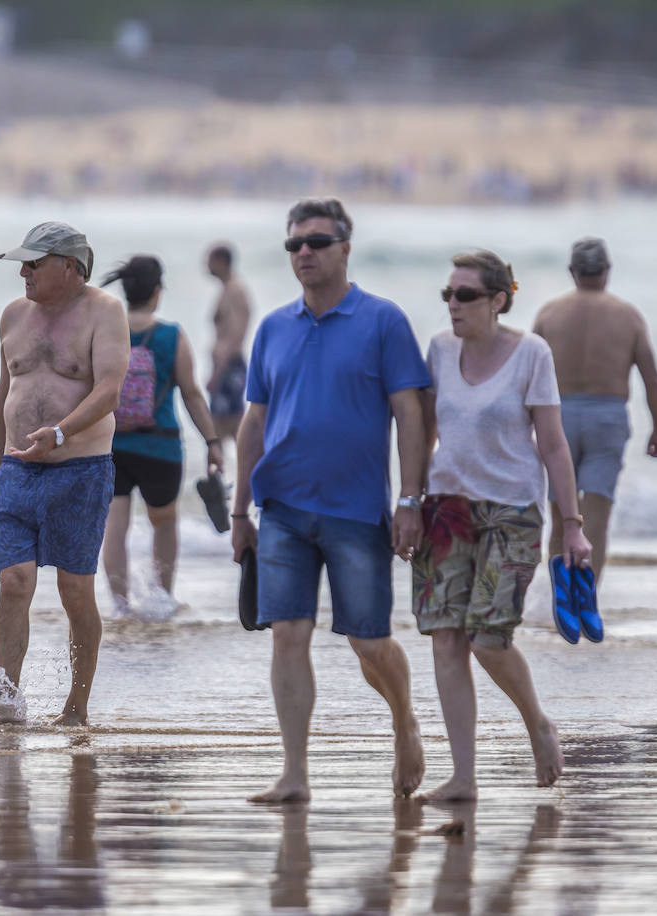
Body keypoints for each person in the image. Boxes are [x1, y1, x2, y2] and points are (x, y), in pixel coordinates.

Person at [231, 198, 429, 802]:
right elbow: (253, 423)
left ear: (346, 247)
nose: (304, 253)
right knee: (288, 635)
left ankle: (405, 720)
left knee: (368, 641)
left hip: (356, 511)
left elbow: (411, 416)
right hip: (283, 509)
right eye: (294, 245)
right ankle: (294, 773)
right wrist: (240, 511)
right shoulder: (273, 327)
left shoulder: (383, 321)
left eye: (317, 242)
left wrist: (410, 500)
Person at [413, 250, 592, 801]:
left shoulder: (532, 353)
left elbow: (553, 443)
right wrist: (406, 501)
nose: (452, 305)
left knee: (488, 637)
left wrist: (573, 524)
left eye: (464, 295)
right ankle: (463, 777)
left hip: (511, 511)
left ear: (498, 300)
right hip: (446, 509)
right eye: (447, 294)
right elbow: (422, 434)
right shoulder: (439, 351)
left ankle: (537, 722)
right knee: (445, 640)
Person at [0, 221, 130, 726]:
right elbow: (5, 393)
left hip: (79, 469)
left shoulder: (104, 312)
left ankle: (76, 708)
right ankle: (9, 701)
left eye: (33, 263)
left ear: (69, 266)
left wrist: (59, 433)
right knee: (14, 582)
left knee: (74, 591)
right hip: (18, 470)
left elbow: (109, 389)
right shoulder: (13, 315)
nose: (23, 272)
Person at [533, 237, 657, 581]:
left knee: (562, 511)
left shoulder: (549, 313)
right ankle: (588, 595)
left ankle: (559, 596)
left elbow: (526, 374)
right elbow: (651, 379)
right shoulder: (628, 316)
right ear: (606, 271)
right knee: (597, 513)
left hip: (557, 417)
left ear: (571, 271)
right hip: (607, 418)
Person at [97, 255, 225, 614]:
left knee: (115, 526)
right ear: (156, 292)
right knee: (164, 522)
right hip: (161, 447)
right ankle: (162, 597)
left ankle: (121, 605)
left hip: (112, 445)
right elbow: (192, 394)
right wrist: (212, 442)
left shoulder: (109, 330)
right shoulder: (170, 335)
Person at [205, 242, 253, 443]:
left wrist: (218, 372)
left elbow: (236, 334)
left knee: (228, 424)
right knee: (222, 424)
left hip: (229, 364)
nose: (206, 265)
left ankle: (241, 471)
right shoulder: (228, 288)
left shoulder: (234, 290)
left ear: (222, 262)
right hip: (226, 364)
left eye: (210, 260)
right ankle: (229, 471)